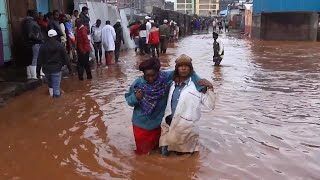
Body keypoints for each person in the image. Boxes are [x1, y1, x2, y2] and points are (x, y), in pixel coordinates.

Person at [125, 58, 210, 155]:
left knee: (157, 151)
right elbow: (129, 101)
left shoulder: (165, 77)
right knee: (143, 154)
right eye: (147, 75)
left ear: (159, 72)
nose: (151, 78)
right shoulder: (138, 83)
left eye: (153, 75)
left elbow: (187, 72)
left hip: (158, 124)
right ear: (143, 73)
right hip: (141, 125)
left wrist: (202, 85)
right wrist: (136, 98)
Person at [159, 54, 215, 156]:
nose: (183, 68)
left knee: (185, 159)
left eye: (186, 66)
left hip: (186, 129)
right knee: (163, 156)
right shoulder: (171, 83)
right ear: (177, 68)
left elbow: (210, 105)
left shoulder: (198, 85)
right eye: (181, 66)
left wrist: (210, 88)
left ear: (190, 68)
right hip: (168, 124)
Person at [38, 29, 72, 97]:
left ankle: (51, 102)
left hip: (46, 70)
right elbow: (66, 58)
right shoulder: (59, 45)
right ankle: (56, 104)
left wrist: (37, 71)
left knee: (50, 87)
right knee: (56, 89)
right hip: (56, 69)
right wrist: (70, 69)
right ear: (56, 36)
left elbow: (39, 60)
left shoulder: (43, 46)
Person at [22, 9, 44, 80]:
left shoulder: (26, 22)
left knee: (30, 59)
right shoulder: (30, 22)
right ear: (32, 14)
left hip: (30, 43)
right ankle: (34, 76)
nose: (37, 15)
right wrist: (39, 39)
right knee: (35, 59)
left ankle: (30, 75)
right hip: (35, 43)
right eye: (36, 13)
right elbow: (30, 34)